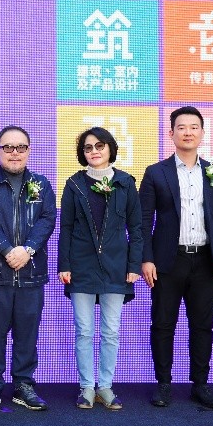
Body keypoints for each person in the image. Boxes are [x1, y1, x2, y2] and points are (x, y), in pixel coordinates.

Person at [140, 106, 213, 409]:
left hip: (206, 261)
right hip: (168, 261)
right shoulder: (156, 173)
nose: (188, 132)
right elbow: (143, 221)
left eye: (194, 127)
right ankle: (163, 384)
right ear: (171, 133)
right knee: (163, 324)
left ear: (202, 133)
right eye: (181, 127)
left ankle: (200, 385)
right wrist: (146, 258)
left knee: (203, 326)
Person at [0, 125, 55, 413]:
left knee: (27, 334)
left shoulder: (41, 184)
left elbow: (47, 220)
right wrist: (8, 250)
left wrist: (27, 250)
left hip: (31, 273)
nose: (14, 153)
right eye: (8, 147)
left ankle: (24, 384)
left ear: (29, 151)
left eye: (21, 147)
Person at [58, 127, 142, 410]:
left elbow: (136, 229)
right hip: (81, 266)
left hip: (116, 266)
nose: (94, 151)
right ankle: (86, 387)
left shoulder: (125, 183)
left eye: (99, 146)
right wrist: (65, 264)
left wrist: (134, 265)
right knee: (84, 331)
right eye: (88, 147)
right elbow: (66, 228)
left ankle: (105, 386)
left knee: (111, 332)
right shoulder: (74, 184)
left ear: (110, 149)